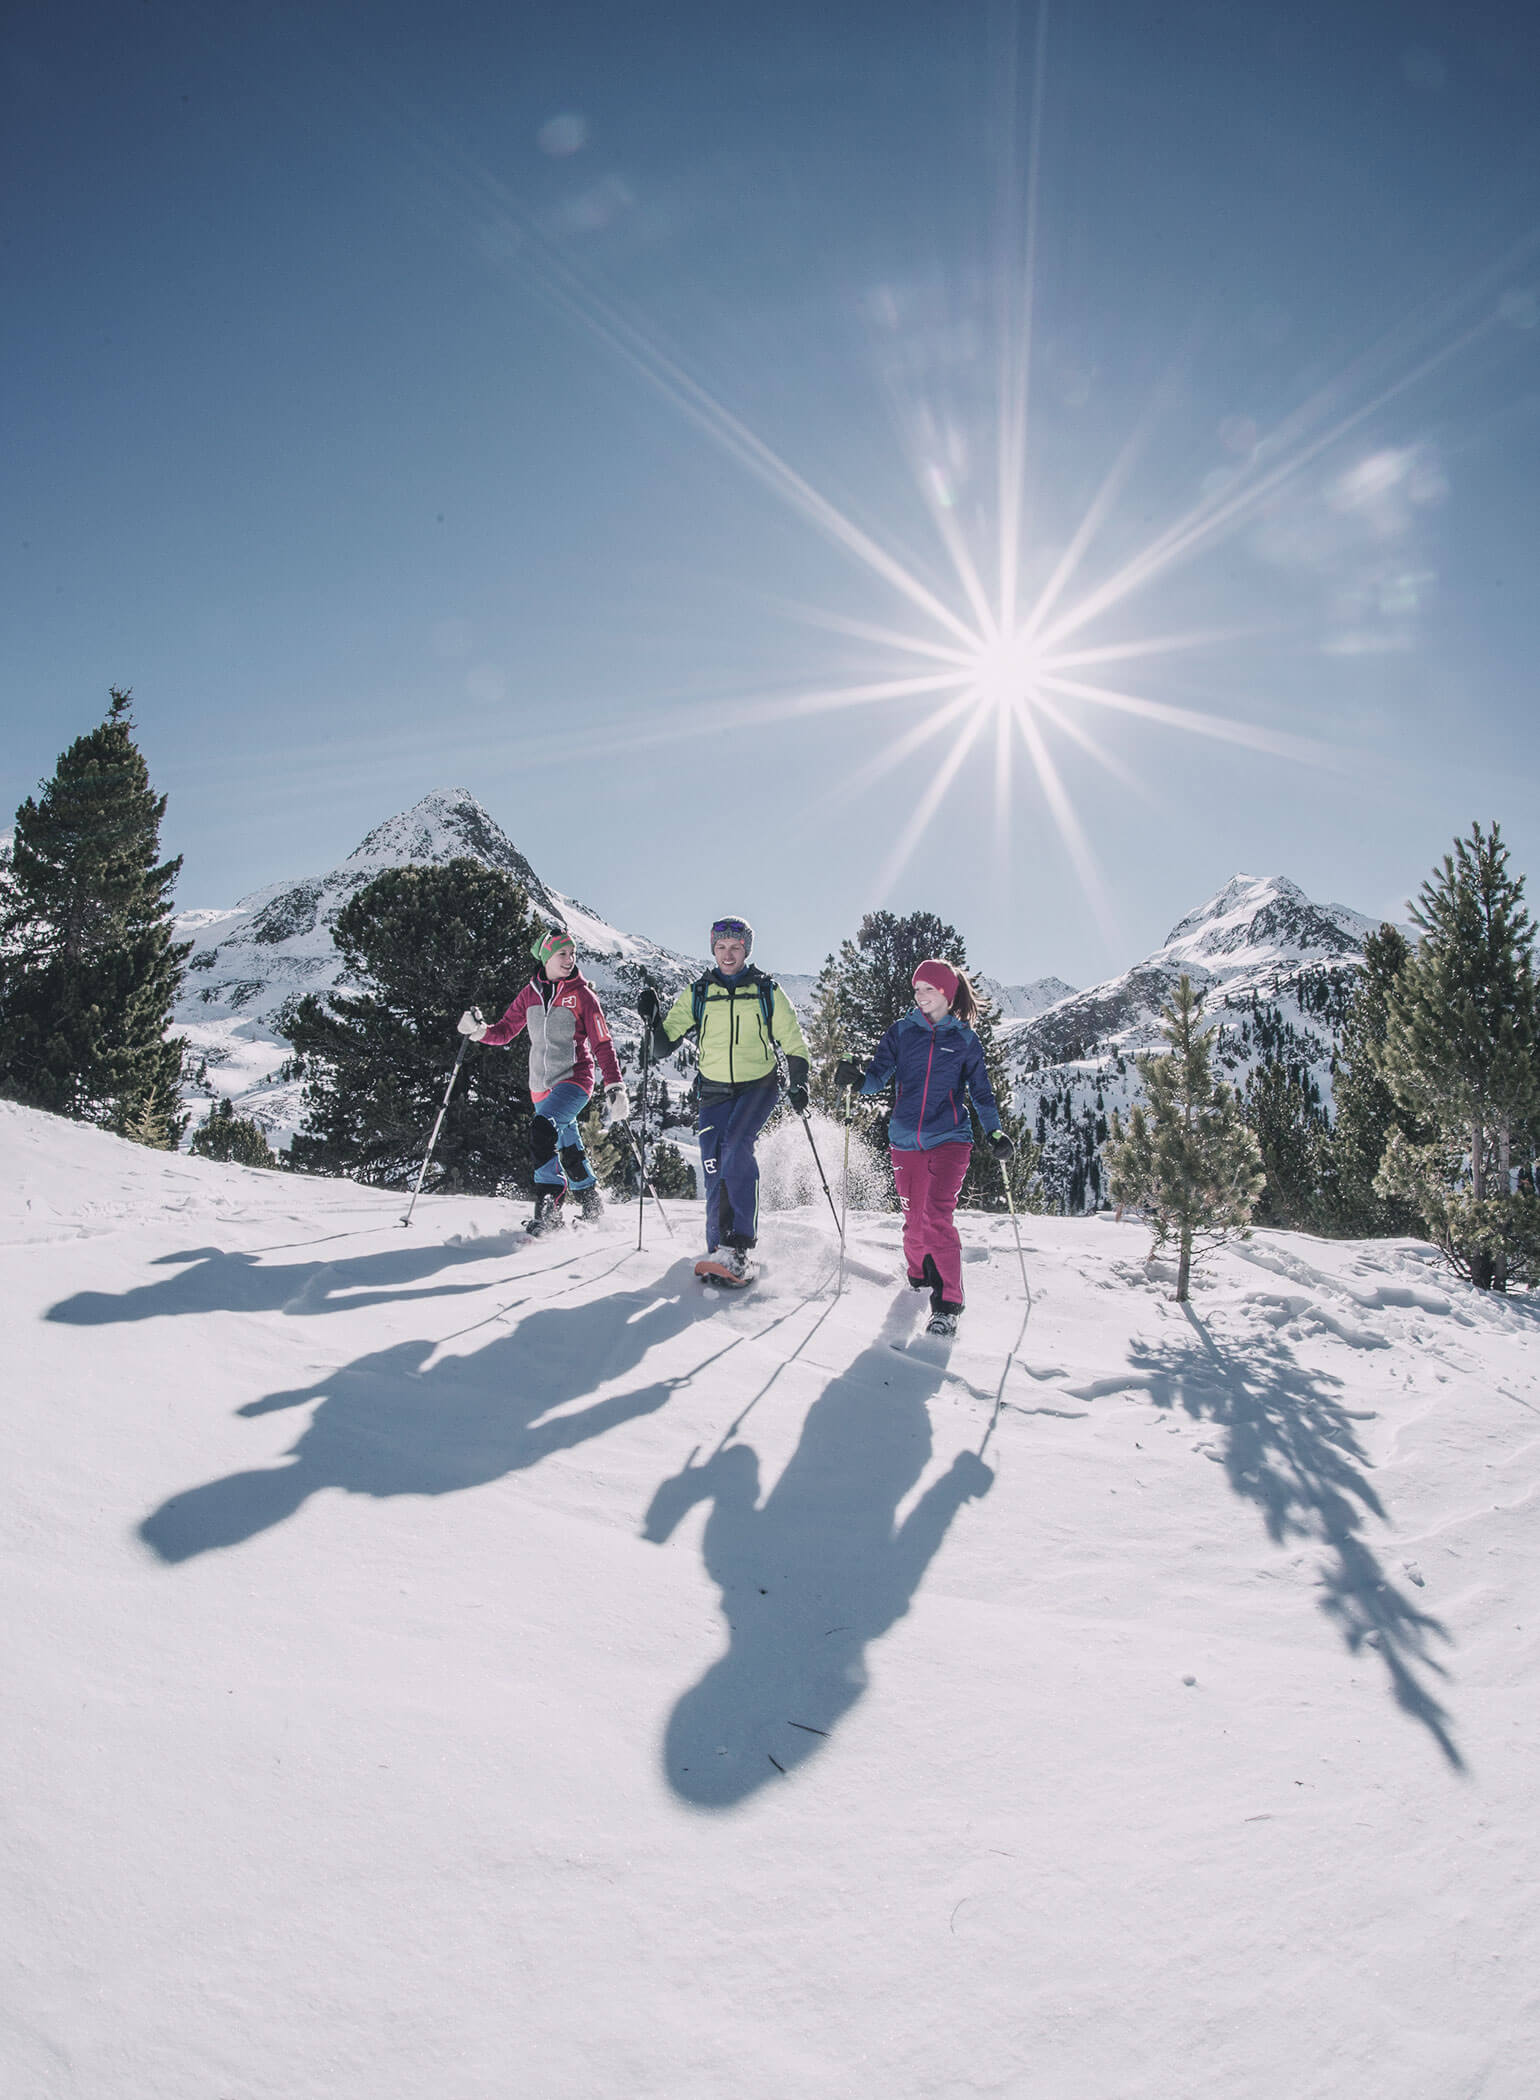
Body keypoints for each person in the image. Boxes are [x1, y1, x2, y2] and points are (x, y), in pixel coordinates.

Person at [834, 958, 1013, 1336]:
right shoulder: (901, 1032)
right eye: (916, 990)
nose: (920, 996)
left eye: (928, 989)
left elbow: (981, 1093)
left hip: (950, 1139)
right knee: (914, 1225)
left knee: (936, 1216)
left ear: (946, 992)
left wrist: (994, 1132)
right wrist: (856, 1079)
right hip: (904, 1142)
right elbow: (877, 1077)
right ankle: (919, 1277)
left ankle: (948, 1303)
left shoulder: (964, 1040)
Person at [637, 914, 810, 1286]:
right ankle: (718, 1250)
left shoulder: (766, 990)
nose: (728, 954)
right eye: (721, 947)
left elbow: (792, 1038)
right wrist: (652, 1022)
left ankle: (739, 1248)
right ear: (713, 950)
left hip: (758, 1086)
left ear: (746, 950)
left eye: (735, 947)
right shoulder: (700, 992)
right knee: (714, 1163)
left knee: (736, 1148)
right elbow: (664, 1043)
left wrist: (799, 1078)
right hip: (713, 1088)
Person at [459, 928, 629, 1234]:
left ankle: (548, 1208)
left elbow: (602, 1042)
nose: (570, 959)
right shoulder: (530, 993)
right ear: (547, 957)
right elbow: (504, 1031)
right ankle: (593, 1205)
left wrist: (614, 1085)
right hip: (540, 1087)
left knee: (542, 1130)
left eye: (573, 953)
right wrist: (478, 1030)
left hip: (575, 1080)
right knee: (568, 1144)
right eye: (562, 953)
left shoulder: (582, 995)